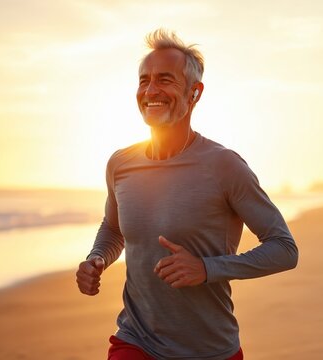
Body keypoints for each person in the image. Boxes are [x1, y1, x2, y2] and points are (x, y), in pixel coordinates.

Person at [75, 28, 299, 360]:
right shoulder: (120, 163)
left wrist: (206, 268)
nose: (151, 90)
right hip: (136, 340)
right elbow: (113, 228)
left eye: (165, 80)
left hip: (210, 349)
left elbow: (284, 249)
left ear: (194, 93)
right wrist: (97, 258)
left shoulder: (224, 165)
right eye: (143, 80)